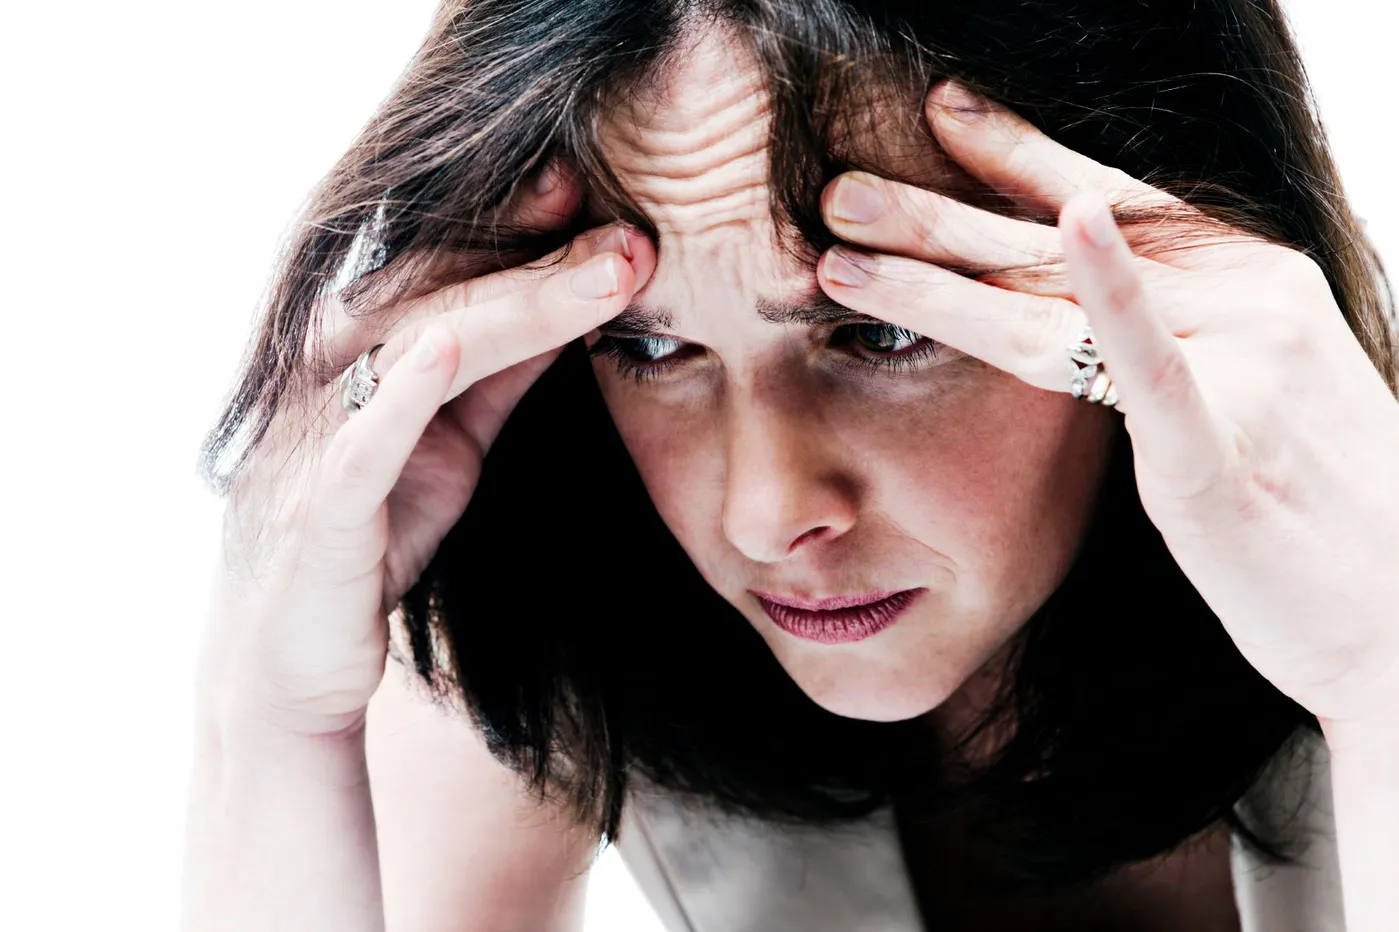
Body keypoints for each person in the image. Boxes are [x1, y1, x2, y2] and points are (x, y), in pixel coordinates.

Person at [180, 1, 1399, 930]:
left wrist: (1383, 664)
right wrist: (276, 713)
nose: (765, 513)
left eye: (880, 333)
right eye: (650, 346)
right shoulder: (564, 611)